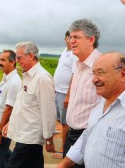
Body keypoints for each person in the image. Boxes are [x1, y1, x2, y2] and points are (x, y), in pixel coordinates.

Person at [57, 52, 125, 168]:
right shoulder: (102, 102)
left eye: (100, 73)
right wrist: (63, 165)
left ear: (123, 74)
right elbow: (86, 137)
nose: (93, 80)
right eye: (93, 73)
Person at [3, 41, 56, 168]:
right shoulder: (27, 76)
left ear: (31, 56)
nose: (17, 60)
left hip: (30, 137)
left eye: (19, 57)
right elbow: (22, 104)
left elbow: (48, 110)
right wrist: (10, 123)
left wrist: (49, 139)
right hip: (24, 134)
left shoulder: (42, 78)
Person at [63, 19, 102, 168]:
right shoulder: (77, 63)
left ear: (91, 39)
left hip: (90, 138)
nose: (71, 41)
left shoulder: (102, 65)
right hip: (71, 135)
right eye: (71, 37)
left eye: (76, 37)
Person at [0, 50, 21, 168]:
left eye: (3, 60)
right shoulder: (6, 77)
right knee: (4, 154)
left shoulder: (14, 82)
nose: (0, 63)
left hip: (2, 129)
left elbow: (9, 109)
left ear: (13, 62)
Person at [52, 31, 77, 159]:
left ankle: (64, 149)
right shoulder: (64, 51)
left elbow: (74, 75)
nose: (69, 40)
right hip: (58, 91)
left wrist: (68, 95)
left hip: (65, 93)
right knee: (59, 119)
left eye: (72, 37)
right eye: (68, 37)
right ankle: (67, 146)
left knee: (65, 123)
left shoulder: (74, 54)